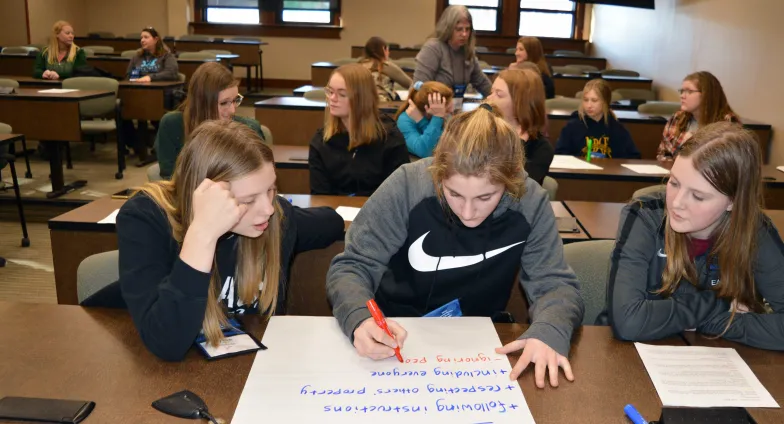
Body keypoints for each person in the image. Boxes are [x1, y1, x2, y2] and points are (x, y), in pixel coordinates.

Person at [327, 104, 583, 389]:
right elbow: (352, 266)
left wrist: (549, 331)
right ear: (438, 172)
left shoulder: (530, 201)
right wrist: (360, 319)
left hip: (478, 348)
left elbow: (555, 284)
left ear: (510, 183)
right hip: (395, 335)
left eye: (486, 197)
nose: (468, 212)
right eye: (454, 194)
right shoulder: (407, 185)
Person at [114, 120, 344, 361]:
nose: (267, 209)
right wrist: (202, 234)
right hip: (163, 373)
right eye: (248, 200)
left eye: (271, 190)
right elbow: (166, 343)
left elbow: (332, 222)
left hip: (248, 371)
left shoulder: (275, 219)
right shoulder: (145, 219)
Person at [599, 122, 784, 351]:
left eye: (698, 196)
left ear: (733, 201)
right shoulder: (645, 216)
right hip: (626, 360)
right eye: (674, 183)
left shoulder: (755, 231)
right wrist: (720, 305)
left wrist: (714, 323)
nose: (676, 203)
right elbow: (629, 321)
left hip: (718, 366)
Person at [309, 64, 409, 196]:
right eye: (330, 92)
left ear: (362, 99)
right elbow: (320, 196)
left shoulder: (390, 138)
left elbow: (399, 193)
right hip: (334, 213)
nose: (332, 99)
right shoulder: (321, 141)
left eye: (342, 94)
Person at [155, 62, 267, 179]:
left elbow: (262, 179)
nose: (233, 110)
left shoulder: (250, 129)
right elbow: (171, 179)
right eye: (224, 103)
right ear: (202, 104)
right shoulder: (172, 125)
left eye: (235, 100)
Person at [122, 27, 180, 167]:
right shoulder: (137, 57)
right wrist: (135, 79)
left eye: (146, 37)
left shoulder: (166, 56)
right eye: (141, 37)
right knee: (122, 110)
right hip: (138, 94)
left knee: (148, 112)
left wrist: (150, 77)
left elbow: (171, 73)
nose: (142, 40)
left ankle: (155, 145)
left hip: (161, 95)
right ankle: (138, 145)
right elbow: (130, 74)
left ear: (156, 39)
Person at [487, 68, 553, 186]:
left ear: (520, 103)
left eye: (499, 94)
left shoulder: (541, 149)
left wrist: (518, 141)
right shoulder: (483, 133)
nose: (489, 98)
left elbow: (516, 187)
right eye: (491, 92)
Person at [413, 5, 492, 98]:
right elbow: (417, 89)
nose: (464, 34)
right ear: (448, 28)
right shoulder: (433, 48)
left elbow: (483, 84)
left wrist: (498, 98)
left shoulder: (467, 50)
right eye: (459, 29)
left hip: (455, 108)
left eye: (467, 29)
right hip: (432, 108)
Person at [657, 71, 738, 160]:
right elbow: (663, 154)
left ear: (706, 94)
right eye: (682, 91)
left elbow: (727, 161)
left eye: (689, 91)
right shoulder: (678, 117)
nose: (682, 96)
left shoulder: (726, 122)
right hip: (676, 171)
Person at [555, 79, 640, 159]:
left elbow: (633, 157)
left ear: (605, 102)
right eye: (585, 100)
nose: (589, 105)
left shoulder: (617, 128)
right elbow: (560, 155)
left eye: (594, 100)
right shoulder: (572, 126)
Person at [395, 81, 453, 158]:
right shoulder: (404, 120)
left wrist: (422, 121)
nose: (452, 111)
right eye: (447, 110)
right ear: (428, 110)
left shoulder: (440, 116)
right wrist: (437, 117)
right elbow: (425, 151)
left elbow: (448, 144)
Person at [357, 36, 412, 102]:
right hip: (383, 104)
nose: (389, 53)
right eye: (388, 50)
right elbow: (410, 84)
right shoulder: (385, 65)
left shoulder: (358, 66)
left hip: (361, 104)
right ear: (383, 49)